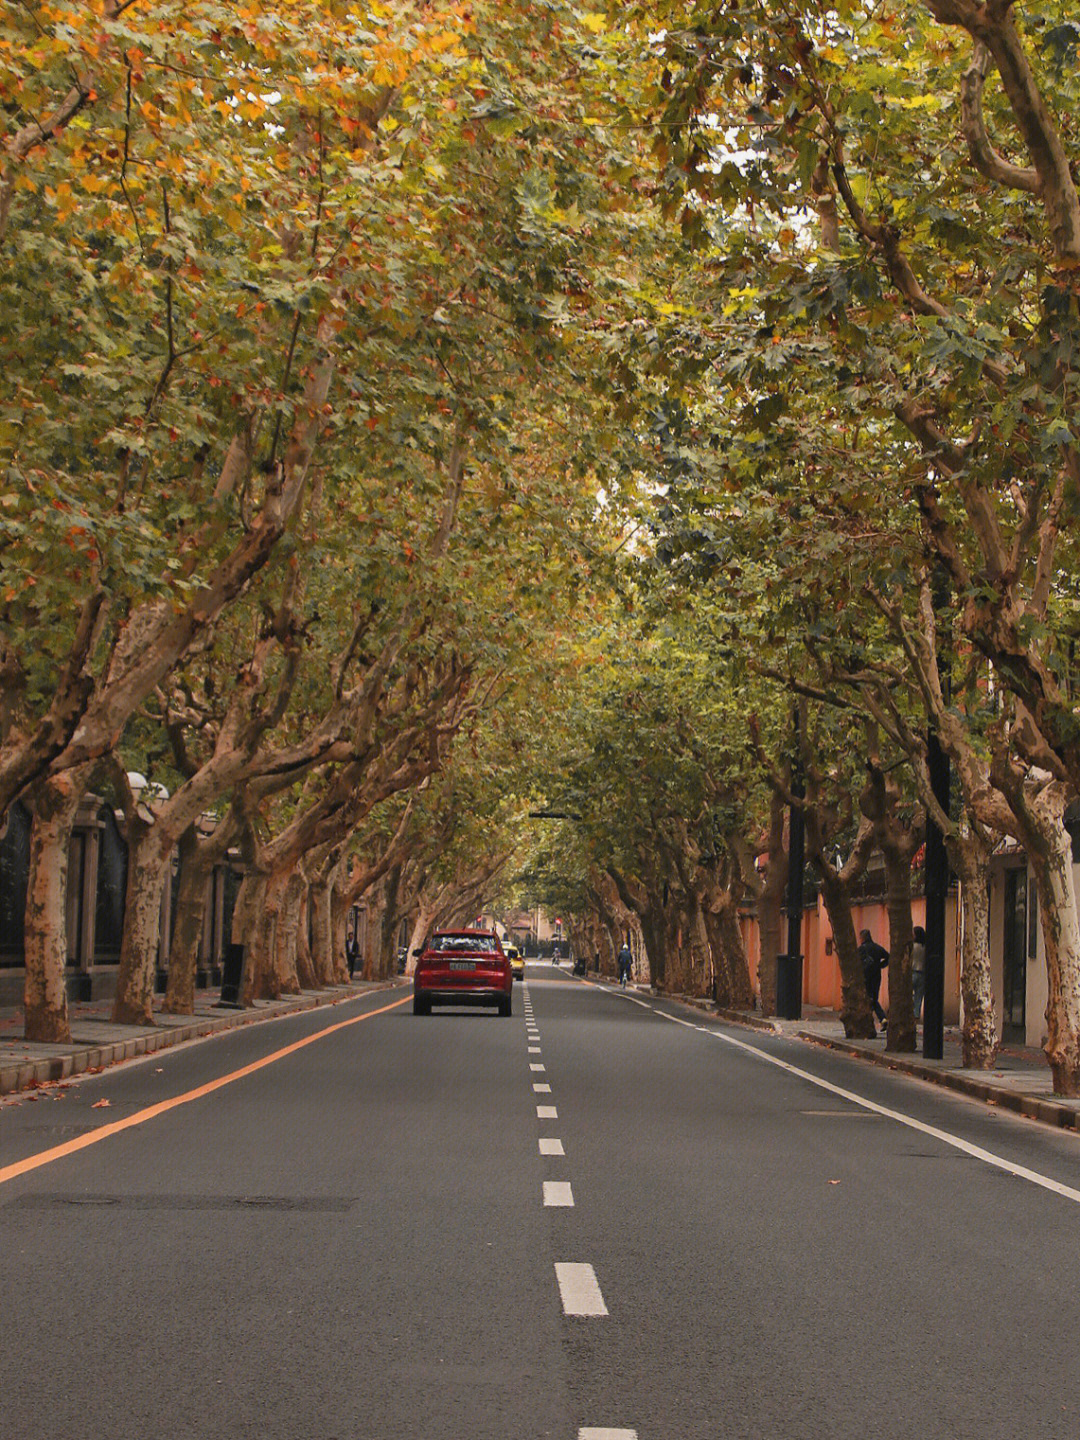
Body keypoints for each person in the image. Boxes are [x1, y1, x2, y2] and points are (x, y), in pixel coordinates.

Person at [857, 928, 889, 1034]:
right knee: (874, 998)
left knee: (867, 998)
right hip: (876, 976)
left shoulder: (861, 949)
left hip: (865, 976)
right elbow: (888, 957)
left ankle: (875, 1020)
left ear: (862, 938)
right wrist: (880, 965)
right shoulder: (878, 948)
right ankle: (882, 1019)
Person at [911, 924, 927, 1023]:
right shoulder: (925, 947)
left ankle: (909, 1018)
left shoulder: (912, 947)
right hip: (923, 974)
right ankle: (916, 1017)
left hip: (912, 973)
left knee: (908, 996)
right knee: (918, 998)